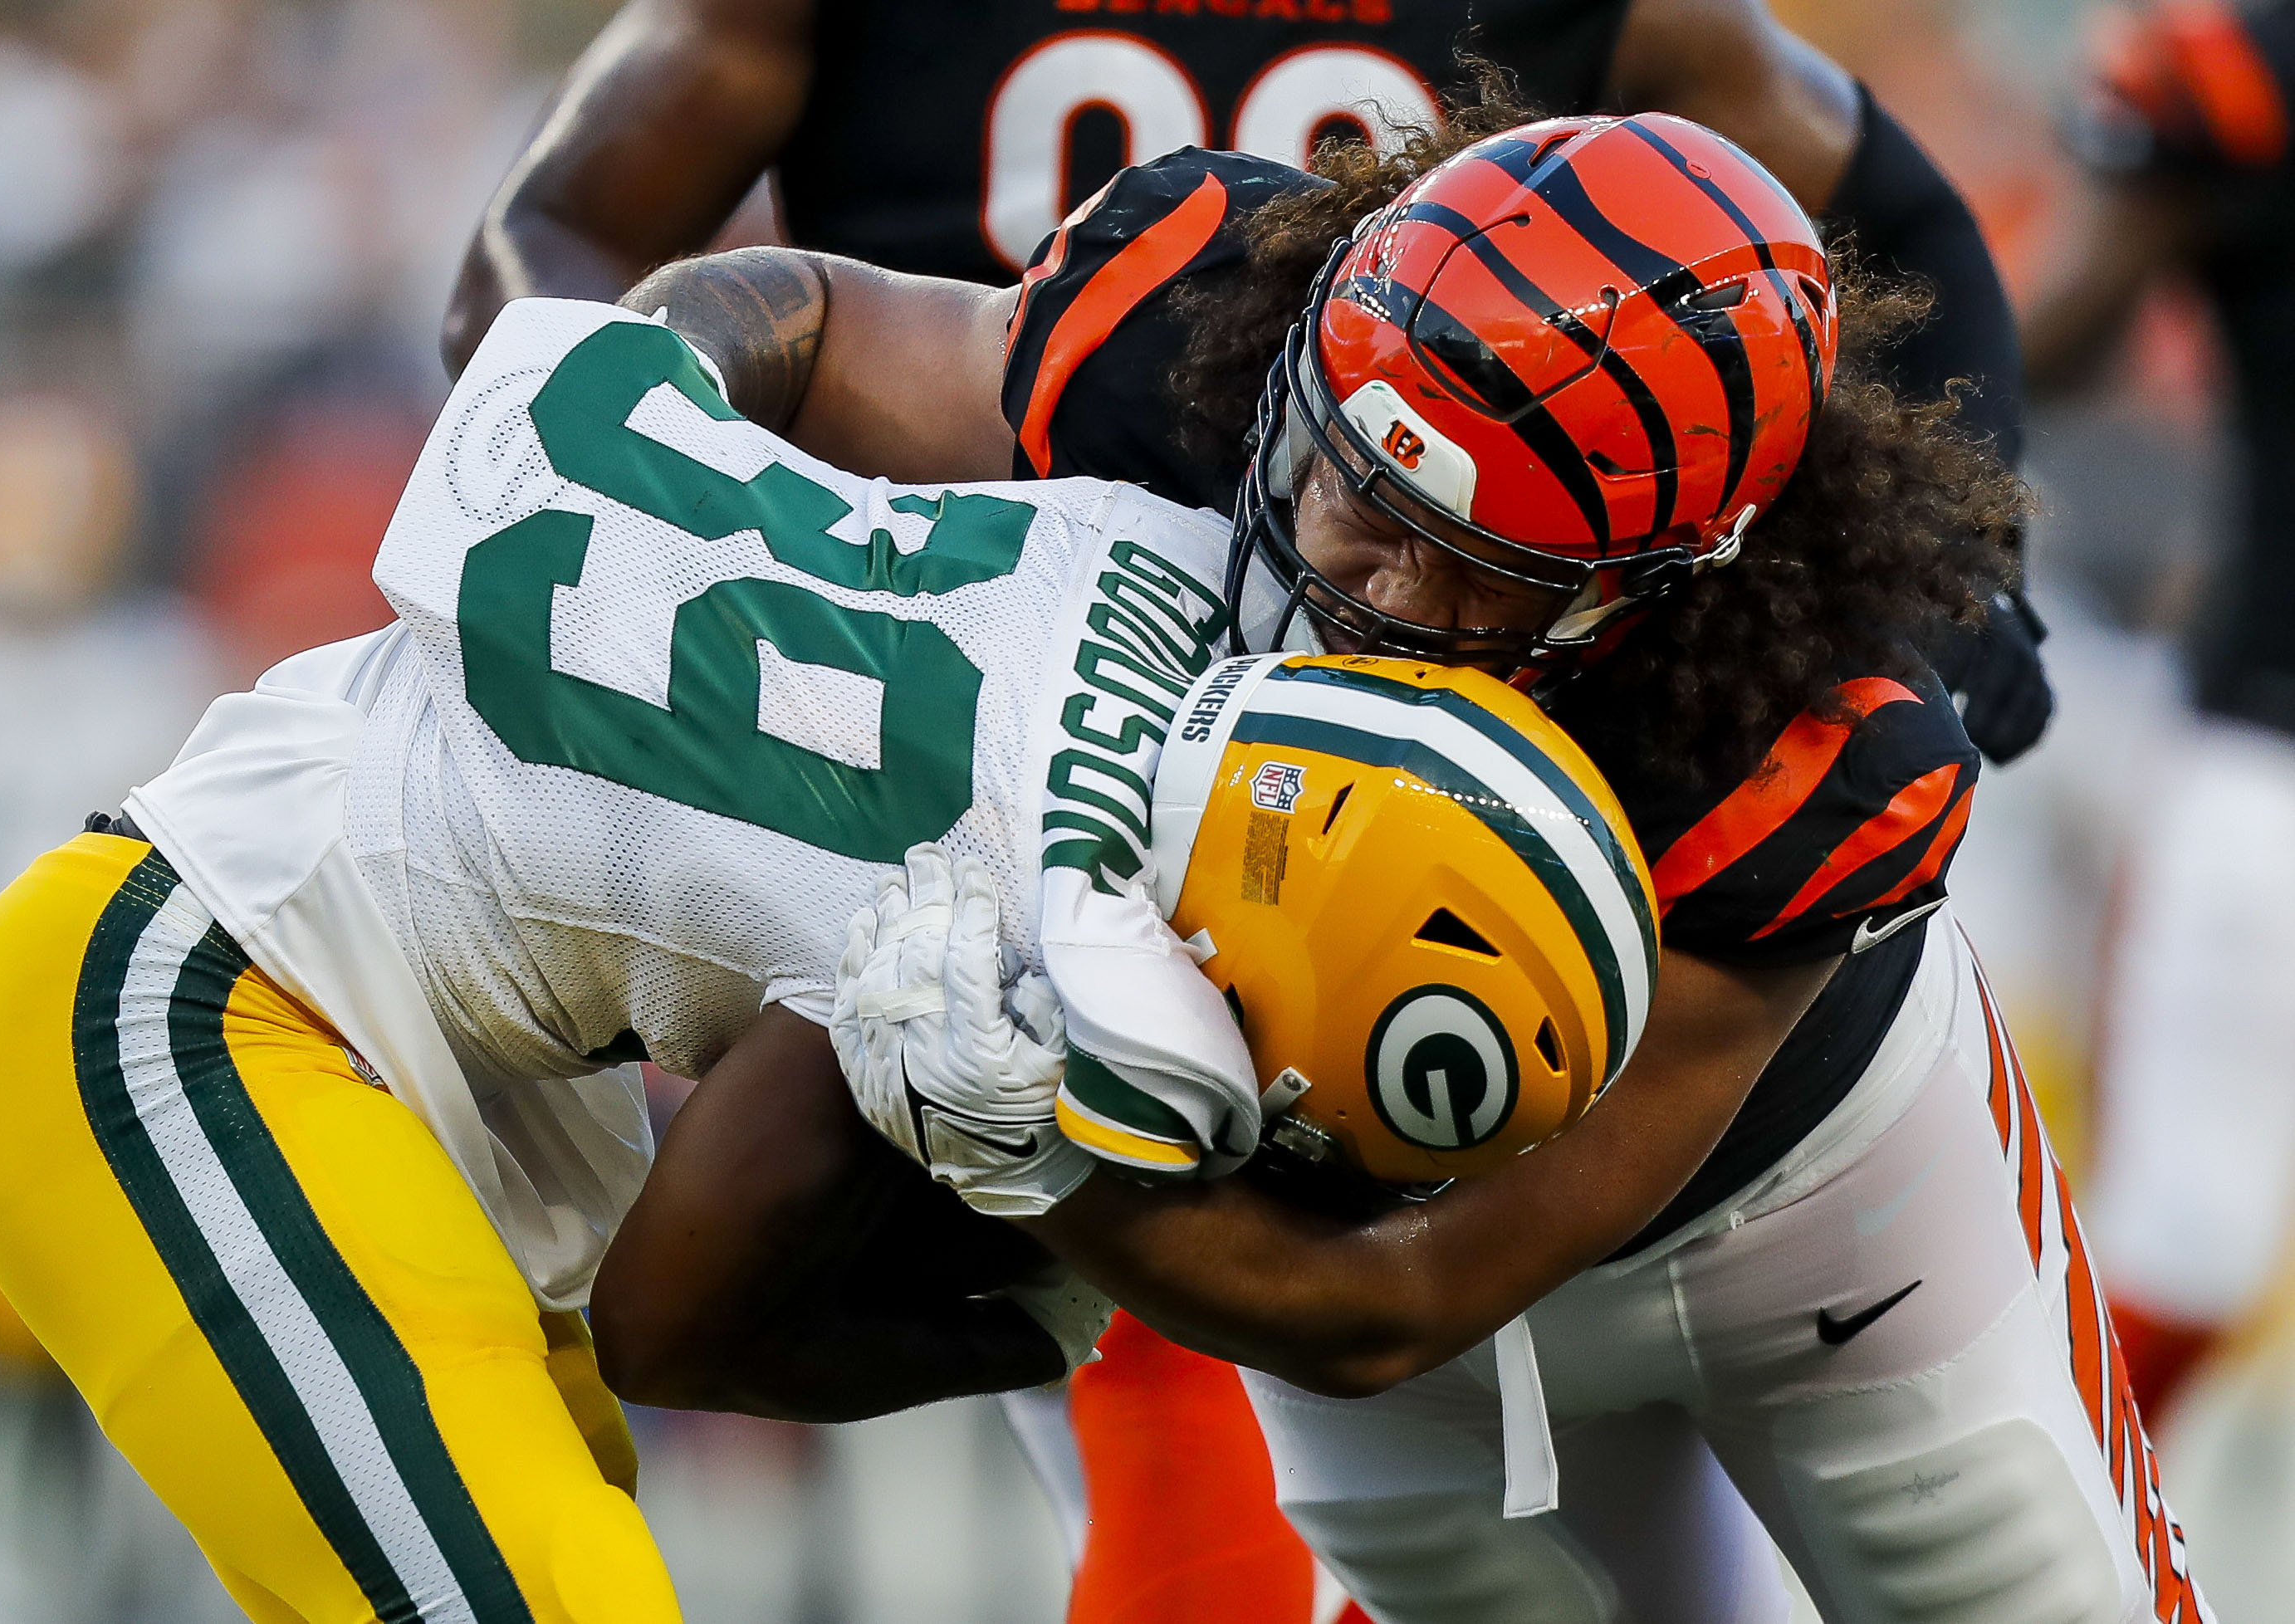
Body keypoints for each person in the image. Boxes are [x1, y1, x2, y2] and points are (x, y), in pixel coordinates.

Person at [639, 108, 2203, 1621]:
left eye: (1471, 571)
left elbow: (1397, 1302)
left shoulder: (1807, 740)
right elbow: (813, 329)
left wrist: (1039, 1149)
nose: (1357, 574)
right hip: (1340, 1198)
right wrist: (598, 406)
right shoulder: (1189, 320)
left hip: (1815, 1221)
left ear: (1650, 589)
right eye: (1350, 486)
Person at [0, 267, 1652, 1622]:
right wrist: (1051, 1268)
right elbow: (676, 1331)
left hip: (356, 980)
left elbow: (780, 311)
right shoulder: (998, 921)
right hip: (198, 996)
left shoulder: (1161, 543)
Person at [440, 0, 2056, 777]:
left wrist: (1967, 561)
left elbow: (1890, 216)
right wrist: (641, 517)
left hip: (1412, 631)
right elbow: (547, 242)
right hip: (928, 594)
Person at [2022, 0, 2295, 1436]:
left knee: (2182, 1252)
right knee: (2181, 1251)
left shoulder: (2232, 69)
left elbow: (2045, 341)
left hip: (2262, 743)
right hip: (2265, 739)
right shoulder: (2231, 73)